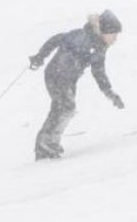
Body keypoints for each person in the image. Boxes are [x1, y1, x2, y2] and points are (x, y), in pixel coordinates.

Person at [29, 10, 124, 160]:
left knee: (63, 108)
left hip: (69, 79)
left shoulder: (99, 48)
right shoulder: (81, 37)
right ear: (104, 32)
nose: (115, 39)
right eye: (114, 35)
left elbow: (99, 74)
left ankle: (49, 143)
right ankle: (45, 143)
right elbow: (56, 39)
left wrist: (110, 94)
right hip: (56, 75)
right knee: (66, 108)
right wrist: (40, 57)